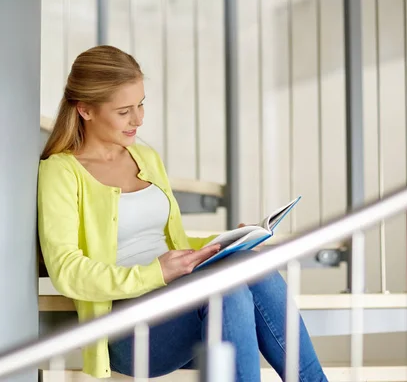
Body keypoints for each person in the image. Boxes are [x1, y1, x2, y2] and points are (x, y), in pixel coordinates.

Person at [37, 45, 328, 381]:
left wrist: (227, 243)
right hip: (130, 328)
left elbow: (170, 240)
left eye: (141, 104)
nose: (139, 119)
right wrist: (154, 274)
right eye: (124, 111)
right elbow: (67, 271)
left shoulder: (145, 157)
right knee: (226, 288)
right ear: (85, 110)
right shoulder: (61, 171)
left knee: (247, 267)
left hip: (184, 299)